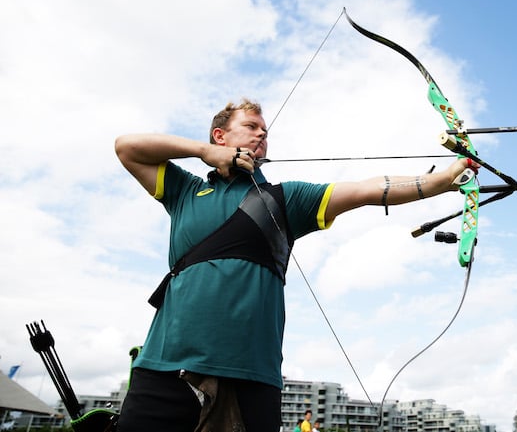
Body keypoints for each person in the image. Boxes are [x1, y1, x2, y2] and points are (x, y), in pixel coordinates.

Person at [114, 99, 477, 432]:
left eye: (265, 131)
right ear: (220, 134)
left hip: (251, 375)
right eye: (252, 126)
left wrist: (442, 181)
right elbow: (126, 147)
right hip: (164, 367)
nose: (262, 134)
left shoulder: (285, 199)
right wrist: (204, 152)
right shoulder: (186, 192)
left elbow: (367, 189)